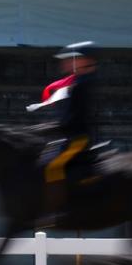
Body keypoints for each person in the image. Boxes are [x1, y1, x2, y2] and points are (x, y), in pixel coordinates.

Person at [42, 40, 99, 213]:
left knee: (53, 167)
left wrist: (56, 127)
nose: (65, 63)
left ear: (83, 60)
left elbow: (74, 117)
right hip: (70, 135)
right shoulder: (77, 82)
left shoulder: (81, 84)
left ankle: (58, 209)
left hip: (78, 138)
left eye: (71, 59)